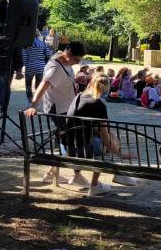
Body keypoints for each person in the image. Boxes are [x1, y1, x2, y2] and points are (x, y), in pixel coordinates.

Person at [24, 42, 88, 186]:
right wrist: (34, 105)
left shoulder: (64, 62)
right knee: (69, 141)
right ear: (68, 53)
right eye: (76, 59)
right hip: (59, 110)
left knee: (63, 140)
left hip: (66, 107)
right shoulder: (55, 67)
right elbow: (43, 84)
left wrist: (75, 80)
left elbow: (61, 81)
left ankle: (50, 173)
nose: (77, 63)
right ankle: (76, 175)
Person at [67, 74, 137, 194]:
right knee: (110, 139)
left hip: (67, 147)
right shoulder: (98, 105)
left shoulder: (79, 96)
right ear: (106, 89)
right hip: (83, 150)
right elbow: (105, 136)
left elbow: (82, 125)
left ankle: (119, 174)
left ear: (91, 83)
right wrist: (121, 154)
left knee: (108, 137)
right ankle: (97, 184)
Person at [21, 32, 53, 102]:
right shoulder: (42, 43)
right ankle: (36, 98)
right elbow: (48, 54)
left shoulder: (26, 45)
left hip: (30, 66)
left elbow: (24, 58)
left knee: (28, 84)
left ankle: (30, 99)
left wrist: (24, 65)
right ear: (38, 35)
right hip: (40, 66)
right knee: (38, 83)